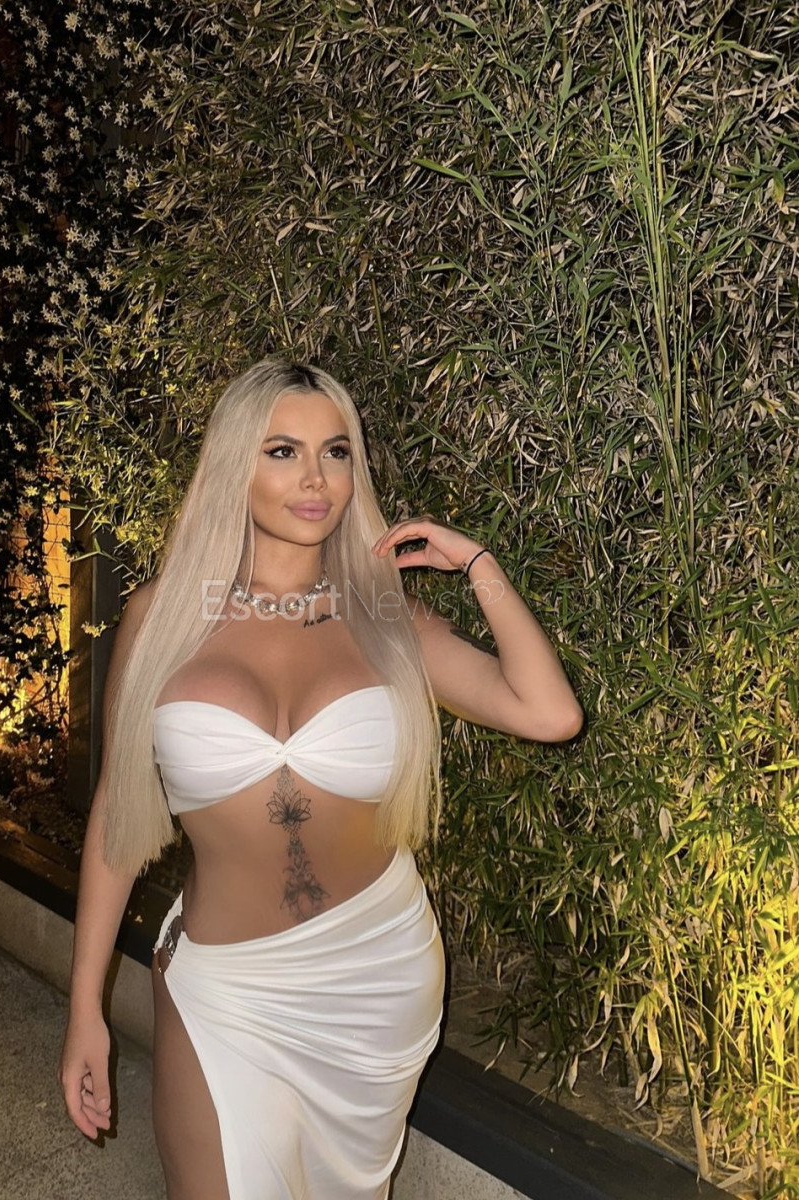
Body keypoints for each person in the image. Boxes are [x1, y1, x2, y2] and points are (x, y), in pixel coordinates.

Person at [59, 358, 583, 1200]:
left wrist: (478, 564)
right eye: (283, 451)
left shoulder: (383, 616)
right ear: (233, 466)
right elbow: (118, 816)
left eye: (335, 452)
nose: (315, 478)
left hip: (376, 977)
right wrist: (85, 1006)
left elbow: (549, 713)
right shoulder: (161, 616)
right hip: (225, 989)